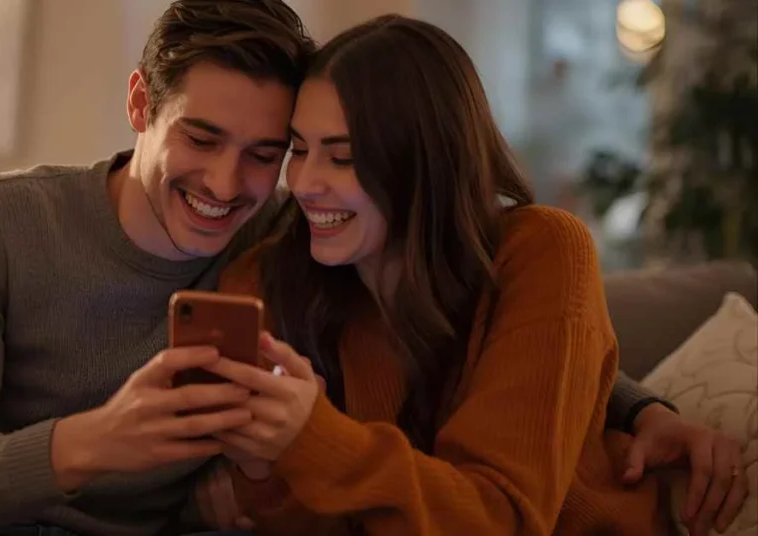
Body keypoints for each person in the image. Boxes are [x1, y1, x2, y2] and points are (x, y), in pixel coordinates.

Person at [0, 2, 743, 536]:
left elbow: (490, 311)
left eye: (267, 152)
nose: (228, 185)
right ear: (140, 104)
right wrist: (96, 442)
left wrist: (638, 406)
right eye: (202, 138)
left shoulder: (300, 237)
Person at [199, 14, 752, 536]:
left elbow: (502, 517)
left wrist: (313, 439)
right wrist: (260, 470)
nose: (303, 183)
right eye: (299, 149)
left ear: (426, 162)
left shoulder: (541, 251)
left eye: (342, 157)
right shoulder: (268, 281)